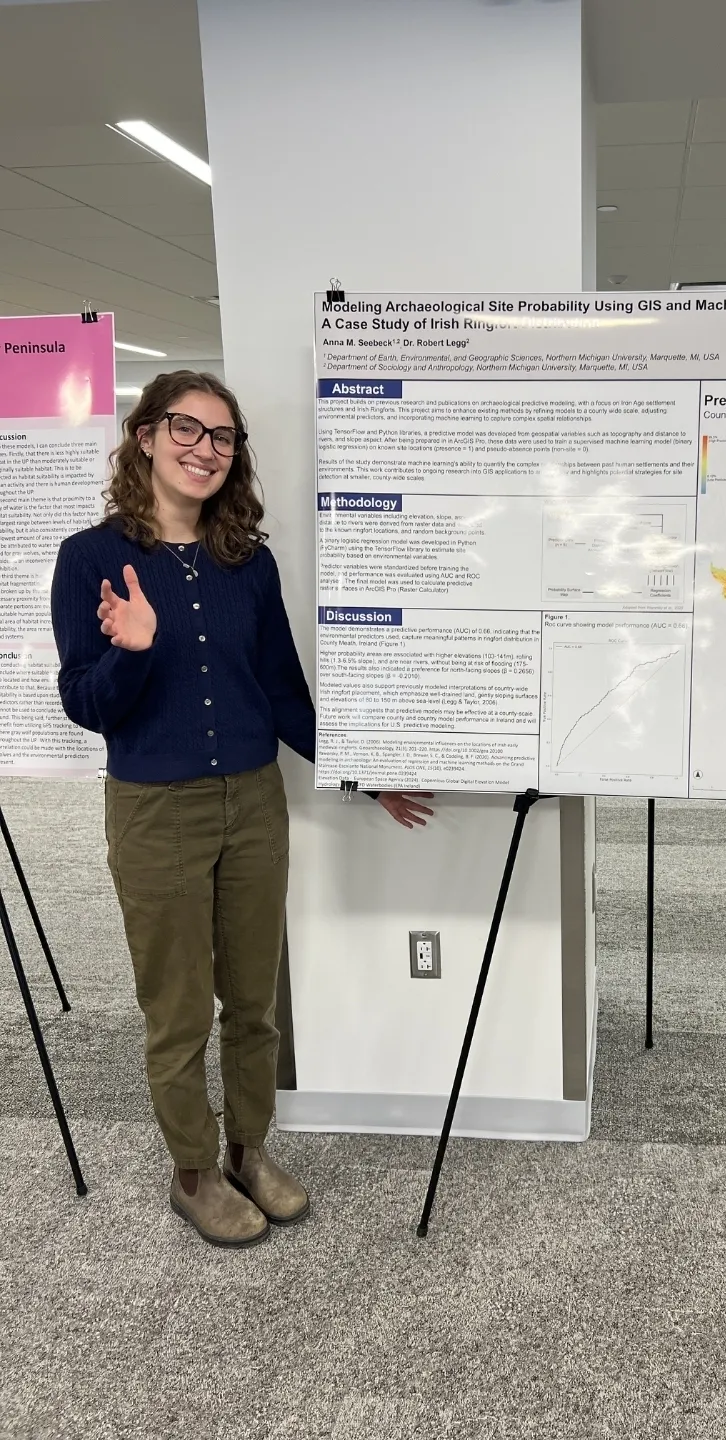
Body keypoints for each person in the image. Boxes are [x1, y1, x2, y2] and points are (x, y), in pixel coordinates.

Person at [51, 370, 434, 1248]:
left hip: (255, 802)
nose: (205, 449)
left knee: (254, 998)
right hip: (156, 809)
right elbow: (85, 702)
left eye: (223, 437)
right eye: (186, 429)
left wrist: (363, 771)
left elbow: (280, 690)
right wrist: (133, 653)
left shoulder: (245, 562)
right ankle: (192, 1171)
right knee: (179, 1005)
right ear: (144, 436)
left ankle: (247, 1149)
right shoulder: (90, 558)